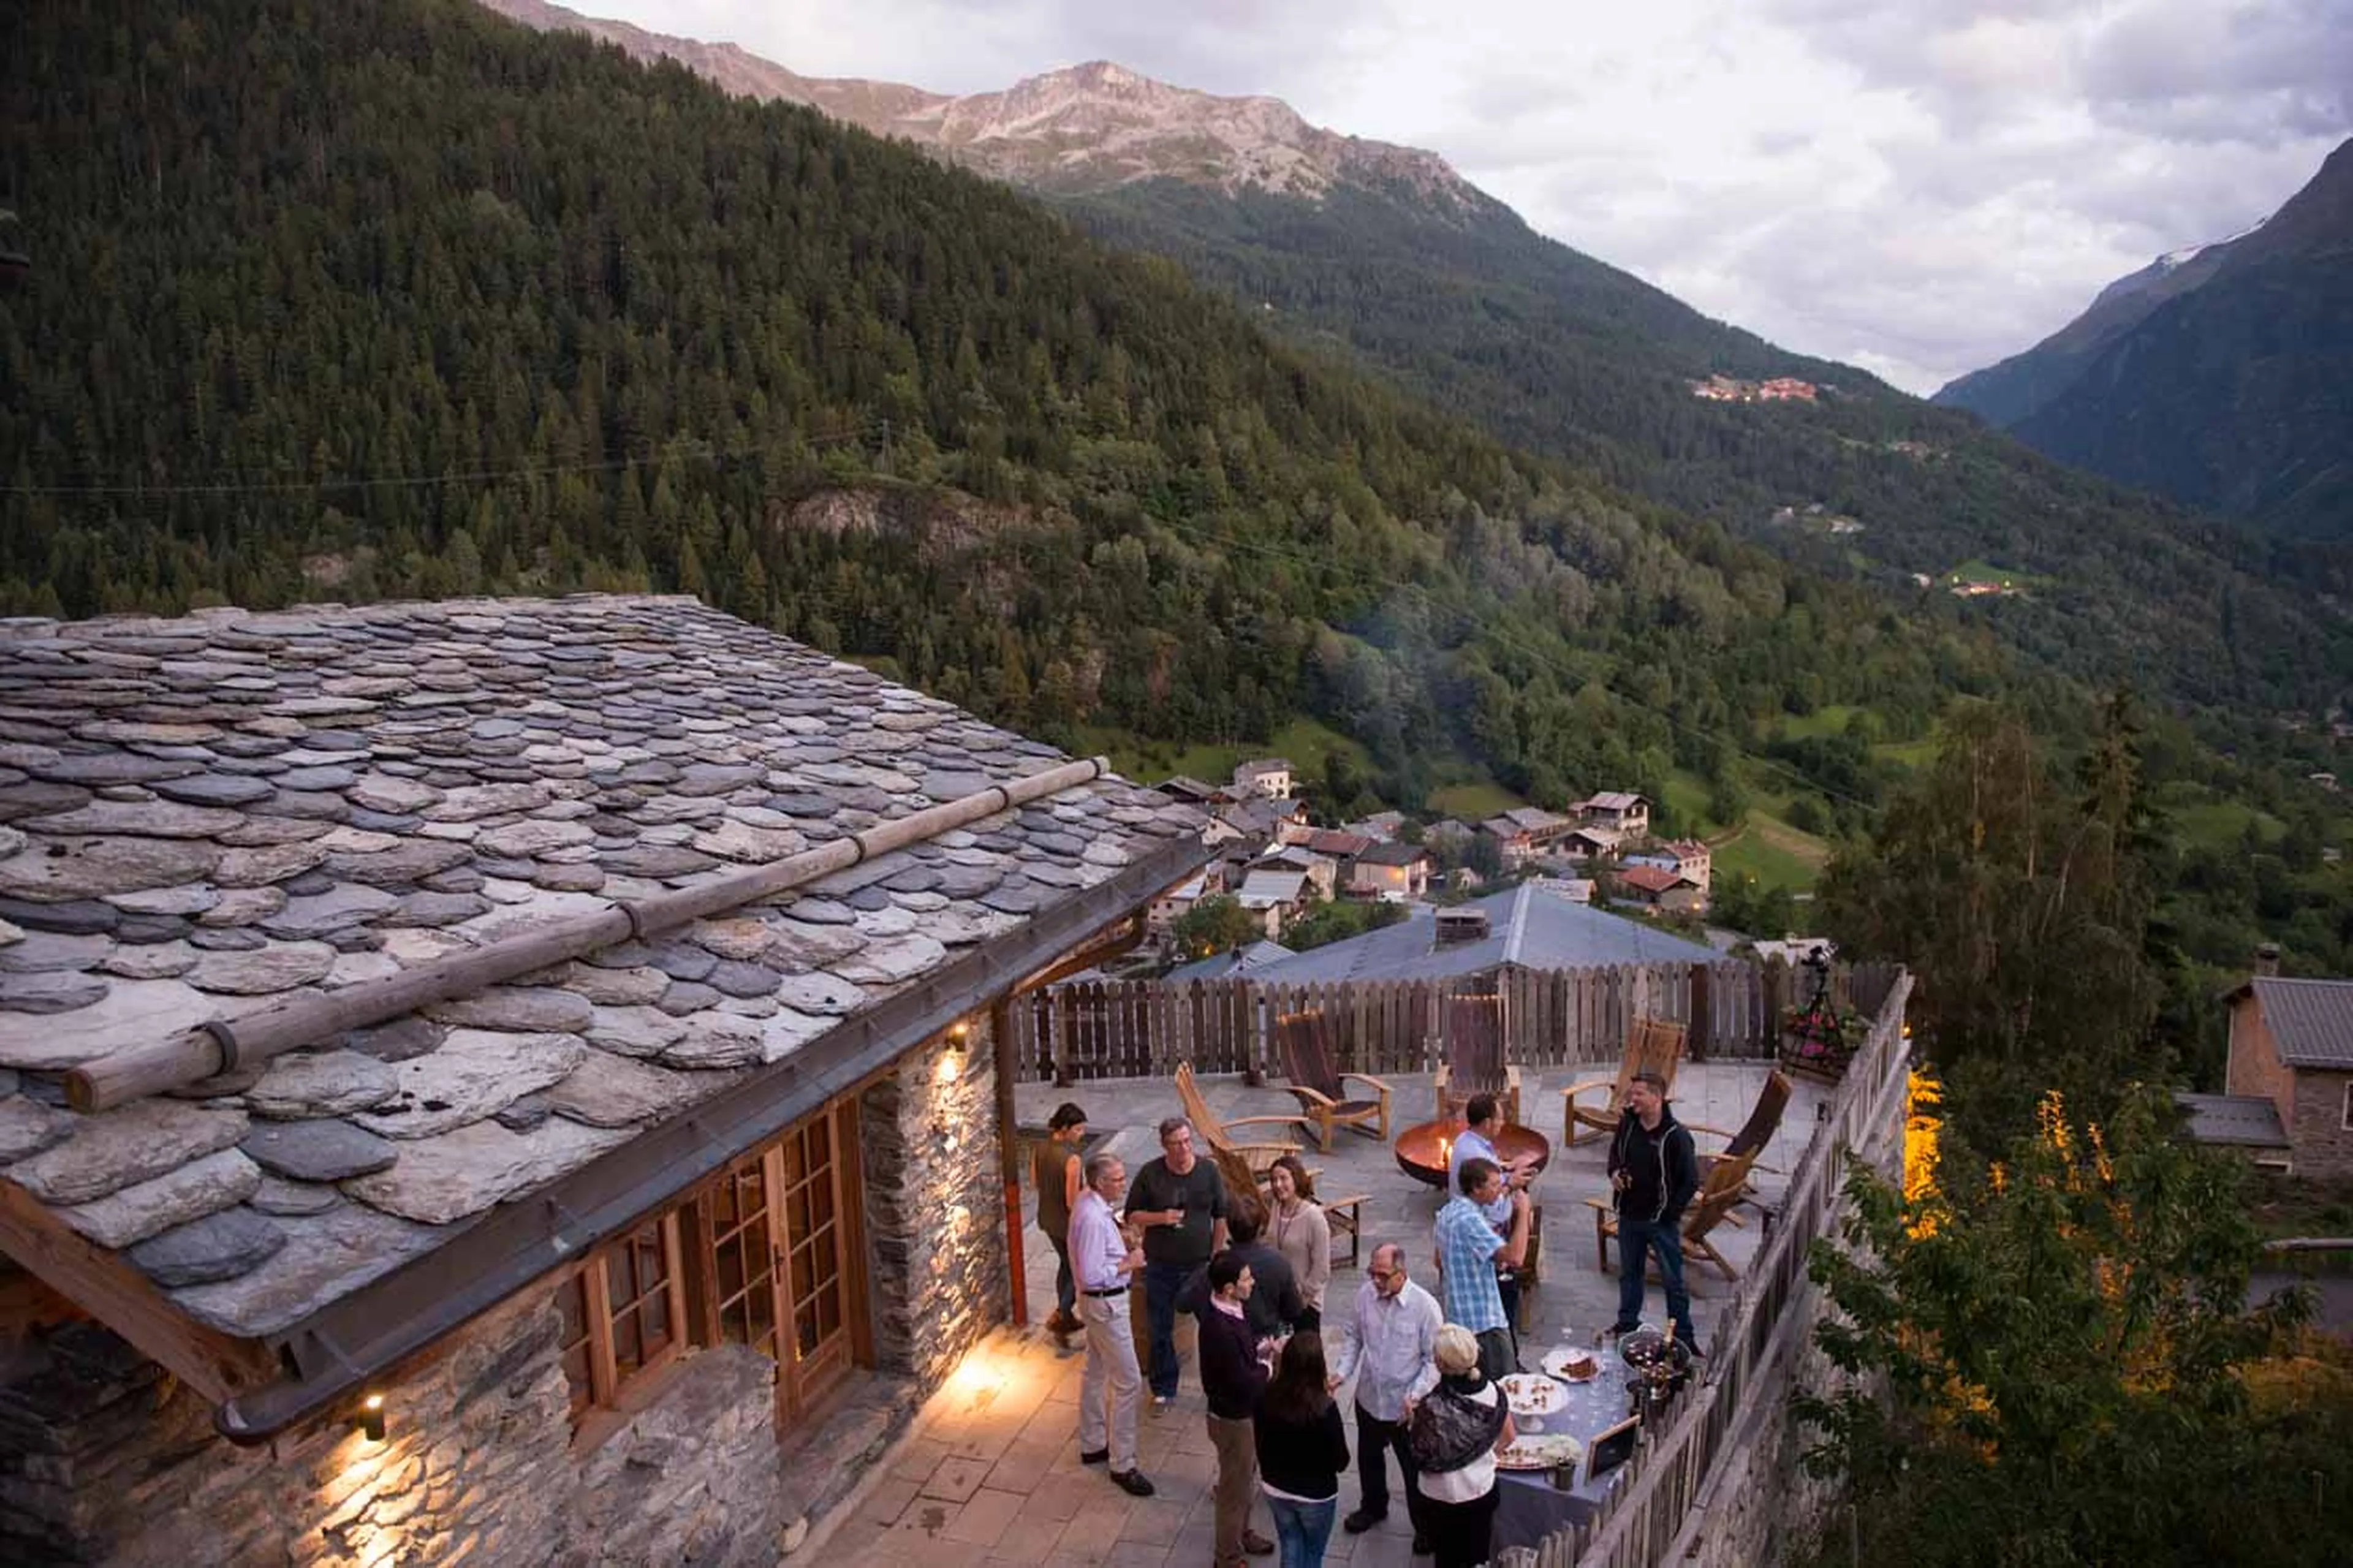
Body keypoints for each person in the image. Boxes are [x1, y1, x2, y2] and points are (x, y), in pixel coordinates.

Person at [1327, 1243, 1441, 1552]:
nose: (1376, 1281)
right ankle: (1373, 1507)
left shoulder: (1425, 1307)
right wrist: (1342, 1372)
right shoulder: (1365, 1295)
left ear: (1402, 1273)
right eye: (1372, 1273)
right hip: (1370, 1397)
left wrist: (1415, 1395)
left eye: (1383, 1275)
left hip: (1406, 1407)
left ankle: (1425, 1527)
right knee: (1369, 1458)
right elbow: (1354, 1337)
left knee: (1413, 1469)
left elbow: (1434, 1361)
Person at [1124, 1116, 1230, 1405]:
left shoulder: (1208, 1171)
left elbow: (1220, 1217)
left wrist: (1215, 1257)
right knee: (1159, 1330)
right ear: (1164, 1146)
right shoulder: (1151, 1174)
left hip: (1200, 1266)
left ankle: (1219, 1389)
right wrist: (1162, 1217)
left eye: (1187, 1141)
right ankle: (1163, 1389)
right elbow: (1132, 1215)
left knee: (1214, 1329)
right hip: (1161, 1266)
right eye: (1176, 1144)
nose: (1184, 1149)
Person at [1069, 1152, 1156, 1498]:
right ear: (1100, 1182)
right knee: (1129, 1381)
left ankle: (1092, 1443)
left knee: (1095, 1370)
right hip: (1106, 1304)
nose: (1123, 1183)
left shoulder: (1089, 1203)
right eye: (1118, 1179)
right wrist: (1129, 1262)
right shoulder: (1093, 1218)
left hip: (1094, 1304)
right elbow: (1093, 1274)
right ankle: (1123, 1463)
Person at [1605, 1069, 1700, 1349]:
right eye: (1632, 1093)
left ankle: (1683, 1337)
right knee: (1630, 1275)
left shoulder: (1676, 1136)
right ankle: (1627, 1323)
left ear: (1657, 1098)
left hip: (1661, 1222)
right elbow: (1614, 1155)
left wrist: (1670, 1214)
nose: (1632, 1098)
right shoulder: (1628, 1124)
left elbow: (1690, 1181)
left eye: (1639, 1094)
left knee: (1674, 1282)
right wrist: (1615, 1174)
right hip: (1629, 1215)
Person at [1410, 1325, 1514, 1568]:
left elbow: (1420, 1455)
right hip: (1480, 1491)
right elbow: (1509, 1436)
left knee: (1446, 1558)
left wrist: (1412, 1420)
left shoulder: (1431, 1406)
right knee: (1478, 1556)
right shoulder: (1495, 1393)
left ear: (1440, 1364)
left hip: (1440, 1497)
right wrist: (1484, 1457)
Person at [1197, 1251, 1276, 1566]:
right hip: (1232, 1420)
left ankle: (1243, 1533)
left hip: (1241, 1414)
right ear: (1229, 1288)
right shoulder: (1220, 1328)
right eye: (1246, 1278)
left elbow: (1238, 1359)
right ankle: (1227, 1556)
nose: (1252, 1282)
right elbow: (1242, 1381)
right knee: (1234, 1490)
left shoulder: (1230, 1310)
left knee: (1244, 1479)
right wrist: (1267, 1366)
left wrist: (1258, 1349)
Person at [1254, 1331, 1349, 1568]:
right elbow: (1341, 1461)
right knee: (1313, 1552)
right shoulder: (1325, 1409)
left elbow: (1260, 1444)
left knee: (1290, 1543)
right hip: (1315, 1494)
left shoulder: (1267, 1396)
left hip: (1276, 1487)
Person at [1433, 1156, 1528, 1381]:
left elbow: (1438, 1260)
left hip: (1458, 1317)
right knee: (1503, 1385)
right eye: (1494, 1185)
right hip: (1484, 1323)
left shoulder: (1447, 1212)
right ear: (1476, 1188)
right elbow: (1516, 1258)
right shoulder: (1470, 1220)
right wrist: (1524, 1213)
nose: (1499, 1190)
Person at [1447, 1093, 1534, 1338]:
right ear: (1487, 1122)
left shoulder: (1467, 1140)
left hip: (1481, 1228)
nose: (1502, 1123)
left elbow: (1487, 1181)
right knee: (1503, 1294)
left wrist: (1507, 1169)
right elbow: (1493, 1202)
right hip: (1488, 1234)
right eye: (1499, 1119)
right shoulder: (1475, 1155)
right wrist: (1514, 1191)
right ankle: (1506, 1344)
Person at [1181, 1191, 1304, 1341]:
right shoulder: (1279, 1262)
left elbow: (1183, 1303)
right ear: (1260, 1228)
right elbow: (1294, 1311)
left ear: (1229, 1227)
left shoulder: (1217, 1267)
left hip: (1225, 1345)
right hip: (1267, 1341)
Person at [1035, 1102, 1088, 1343]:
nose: (1081, 1134)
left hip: (1047, 1217)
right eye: (1078, 1129)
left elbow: (1035, 1181)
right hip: (1067, 1224)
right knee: (1079, 1270)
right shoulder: (1072, 1159)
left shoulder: (1040, 1148)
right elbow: (1071, 1201)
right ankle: (1061, 1314)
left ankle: (1066, 1317)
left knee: (1066, 1264)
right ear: (1065, 1128)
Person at [1265, 1154, 1331, 1332]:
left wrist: (1303, 1299)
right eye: (1274, 1180)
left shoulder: (1314, 1217)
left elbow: (1322, 1268)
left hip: (1305, 1304)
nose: (1278, 1185)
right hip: (1278, 1300)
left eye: (1283, 1178)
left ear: (1296, 1178)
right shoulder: (1276, 1207)